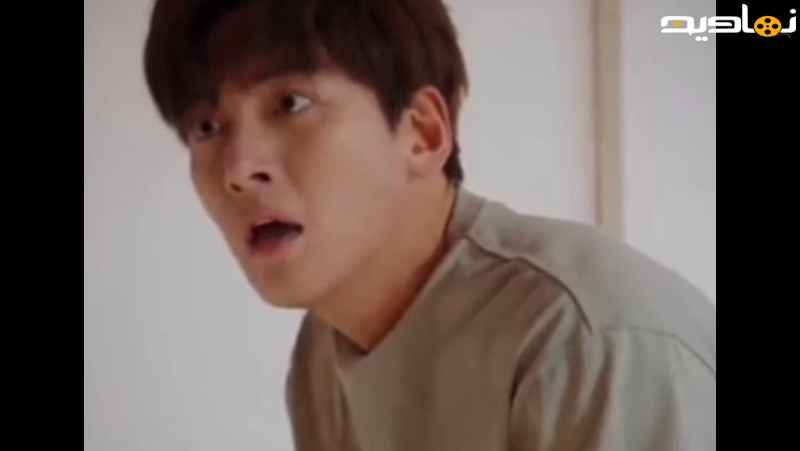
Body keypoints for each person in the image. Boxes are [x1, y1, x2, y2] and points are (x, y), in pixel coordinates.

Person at [143, 1, 716, 449]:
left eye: (292, 104)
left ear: (422, 132)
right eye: (207, 127)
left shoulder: (587, 343)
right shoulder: (322, 354)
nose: (238, 170)